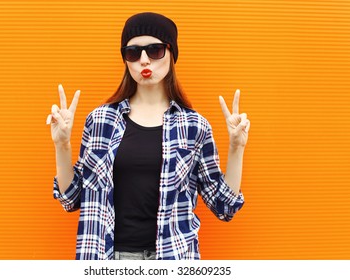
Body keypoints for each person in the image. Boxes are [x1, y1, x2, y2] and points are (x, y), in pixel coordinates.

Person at [47, 12, 250, 260]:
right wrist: (62, 144)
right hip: (106, 259)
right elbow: (71, 198)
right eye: (133, 52)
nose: (144, 60)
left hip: (173, 261)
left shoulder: (195, 126)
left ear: (171, 54)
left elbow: (224, 206)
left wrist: (236, 148)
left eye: (154, 50)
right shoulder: (101, 121)